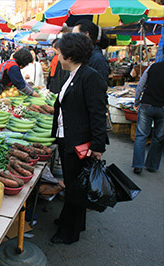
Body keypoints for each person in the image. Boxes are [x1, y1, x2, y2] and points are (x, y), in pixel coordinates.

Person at [50, 33, 108, 244]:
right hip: (68, 138)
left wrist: (98, 146)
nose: (57, 55)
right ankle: (73, 221)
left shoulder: (90, 76)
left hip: (81, 143)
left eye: (60, 52)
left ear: (70, 55)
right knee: (75, 184)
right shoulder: (73, 75)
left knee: (75, 188)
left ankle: (69, 233)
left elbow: (97, 113)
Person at [132, 58, 164, 174]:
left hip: (147, 104)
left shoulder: (153, 67)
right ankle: (151, 165)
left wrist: (136, 102)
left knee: (141, 136)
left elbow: (140, 85)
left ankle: (138, 165)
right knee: (158, 138)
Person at [73, 19, 110, 87]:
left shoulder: (97, 59)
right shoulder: (84, 56)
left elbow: (99, 88)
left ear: (87, 34)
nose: (73, 39)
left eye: (75, 35)